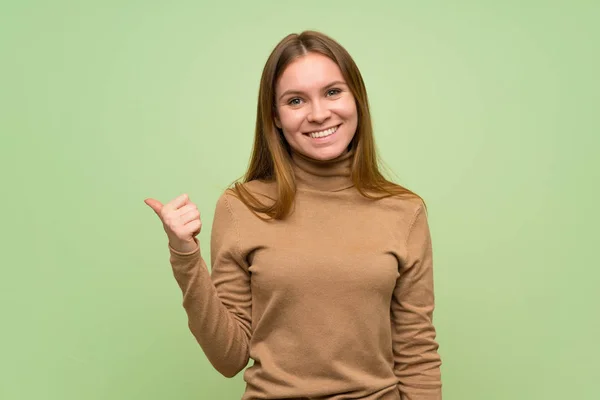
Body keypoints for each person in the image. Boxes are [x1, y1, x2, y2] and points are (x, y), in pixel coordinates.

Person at [145, 30, 442, 400]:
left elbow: (416, 354)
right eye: (296, 100)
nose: (319, 114)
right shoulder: (241, 207)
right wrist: (185, 256)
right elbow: (229, 357)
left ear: (357, 100)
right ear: (276, 117)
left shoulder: (404, 211)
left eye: (333, 92)